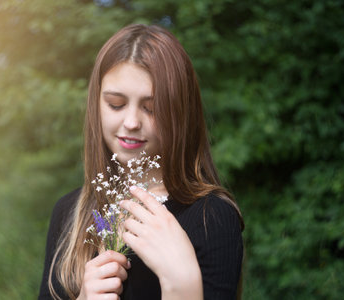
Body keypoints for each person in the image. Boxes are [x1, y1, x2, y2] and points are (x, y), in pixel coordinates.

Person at [38, 24, 244, 300]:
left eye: (151, 108)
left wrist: (182, 284)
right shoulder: (70, 213)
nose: (132, 122)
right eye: (116, 104)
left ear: (179, 112)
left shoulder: (212, 217)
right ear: (96, 104)